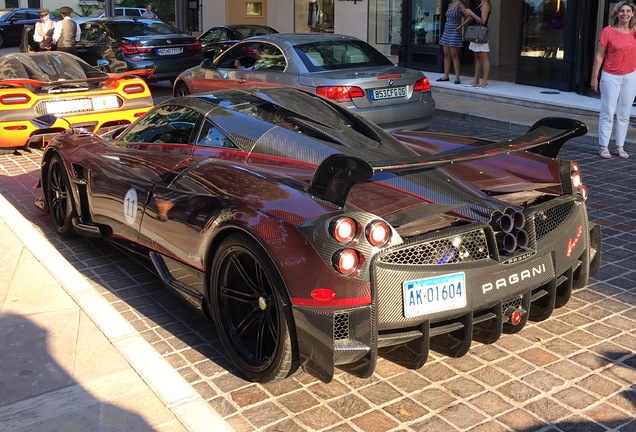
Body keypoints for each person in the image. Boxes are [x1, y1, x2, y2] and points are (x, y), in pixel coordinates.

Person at [590, 1, 636, 160]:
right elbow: (599, 55)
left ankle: (620, 147)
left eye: (628, 11)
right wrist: (594, 77)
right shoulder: (608, 31)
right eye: (622, 11)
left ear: (633, 14)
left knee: (624, 114)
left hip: (630, 76)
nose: (625, 14)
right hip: (610, 76)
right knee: (608, 112)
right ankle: (604, 147)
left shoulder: (635, 32)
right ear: (617, 13)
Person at [460, 0, 491, 89]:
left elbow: (483, 21)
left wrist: (471, 13)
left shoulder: (485, 4)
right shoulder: (480, 4)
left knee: (484, 57)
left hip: (481, 33)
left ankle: (484, 82)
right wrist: (468, 13)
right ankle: (476, 80)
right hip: (475, 33)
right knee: (477, 57)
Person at [437, 0, 467, 85]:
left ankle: (457, 77)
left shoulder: (461, 5)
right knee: (446, 54)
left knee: (454, 54)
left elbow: (469, 16)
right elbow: (447, 17)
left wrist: (461, 25)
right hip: (447, 30)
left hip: (455, 30)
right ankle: (446, 75)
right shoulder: (450, 4)